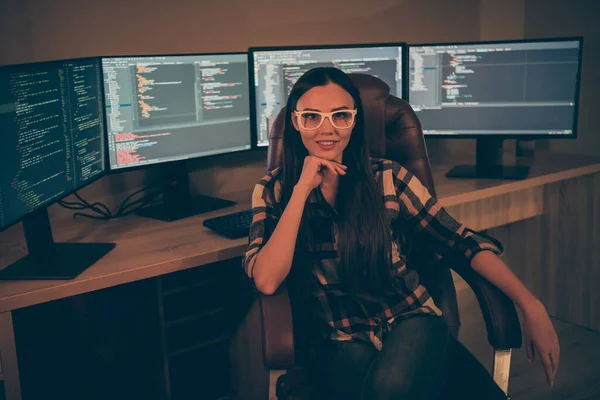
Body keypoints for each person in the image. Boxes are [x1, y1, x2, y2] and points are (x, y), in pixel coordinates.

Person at [242, 67, 559, 399]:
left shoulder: (389, 178)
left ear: (355, 120)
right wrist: (302, 189)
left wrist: (530, 304)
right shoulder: (274, 191)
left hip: (410, 317)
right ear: (295, 122)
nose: (327, 129)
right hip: (341, 337)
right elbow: (266, 279)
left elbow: (460, 241)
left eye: (340, 116)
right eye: (311, 117)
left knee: (392, 389)